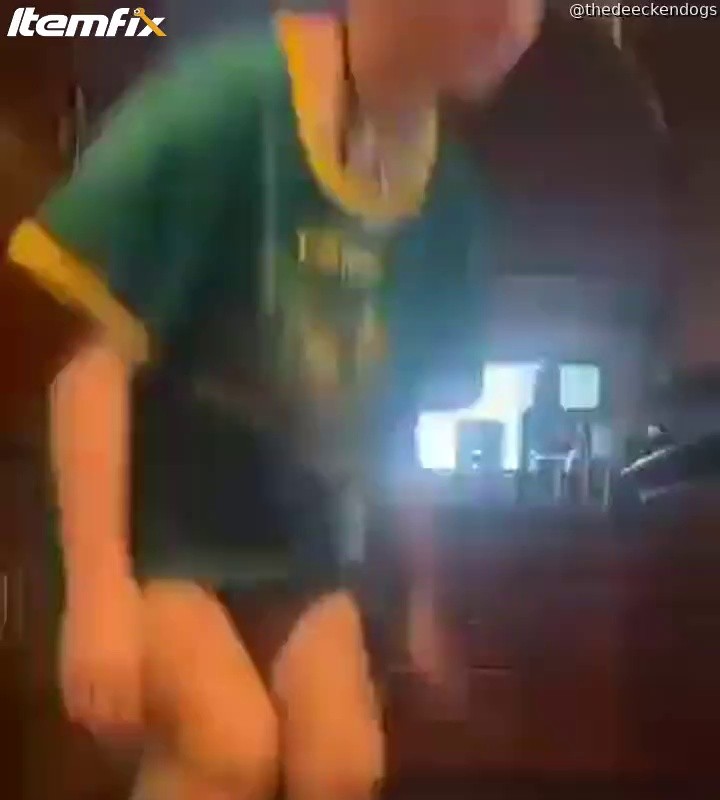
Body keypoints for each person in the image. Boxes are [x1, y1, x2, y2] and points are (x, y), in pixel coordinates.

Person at [7, 1, 542, 798]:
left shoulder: (449, 203)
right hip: (150, 534)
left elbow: (396, 424)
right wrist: (98, 589)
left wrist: (421, 595)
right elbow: (91, 357)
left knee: (342, 765)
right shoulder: (225, 109)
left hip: (294, 551)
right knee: (228, 744)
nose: (516, 19)